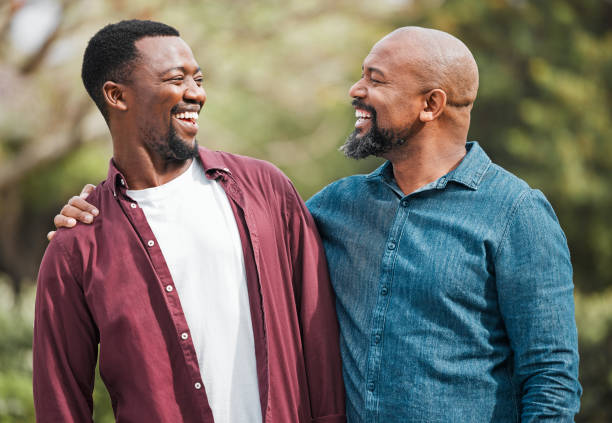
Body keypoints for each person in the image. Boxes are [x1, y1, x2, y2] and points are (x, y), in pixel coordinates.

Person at [53, 26, 582, 422]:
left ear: (431, 105)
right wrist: (97, 213)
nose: (355, 90)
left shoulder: (515, 213)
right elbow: (220, 233)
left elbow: (551, 379)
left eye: (375, 80)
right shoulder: (335, 207)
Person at [34, 20, 345, 423]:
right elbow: (61, 402)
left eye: (198, 78)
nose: (196, 93)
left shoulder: (265, 190)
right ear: (116, 95)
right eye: (176, 79)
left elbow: (317, 334)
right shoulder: (76, 247)